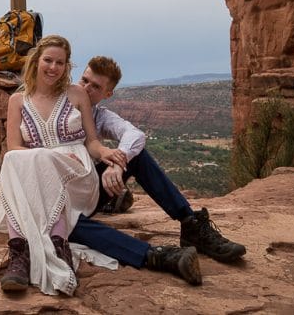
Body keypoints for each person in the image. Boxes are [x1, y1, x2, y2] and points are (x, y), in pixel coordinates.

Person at [0, 36, 128, 296]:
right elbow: (14, 146)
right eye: (48, 60)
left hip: (76, 172)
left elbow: (91, 141)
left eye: (60, 62)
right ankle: (20, 253)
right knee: (15, 159)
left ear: (66, 66)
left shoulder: (76, 94)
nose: (53, 67)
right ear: (36, 61)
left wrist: (105, 152)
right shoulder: (18, 101)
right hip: (36, 169)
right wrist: (45, 156)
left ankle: (58, 249)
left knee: (31, 161)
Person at [66, 56, 246, 283]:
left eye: (96, 87)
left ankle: (190, 224)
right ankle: (155, 254)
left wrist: (116, 164)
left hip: (87, 190)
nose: (86, 88)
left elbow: (135, 136)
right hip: (62, 199)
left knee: (137, 154)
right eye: (84, 80)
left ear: (107, 94)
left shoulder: (100, 117)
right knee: (67, 223)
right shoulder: (59, 106)